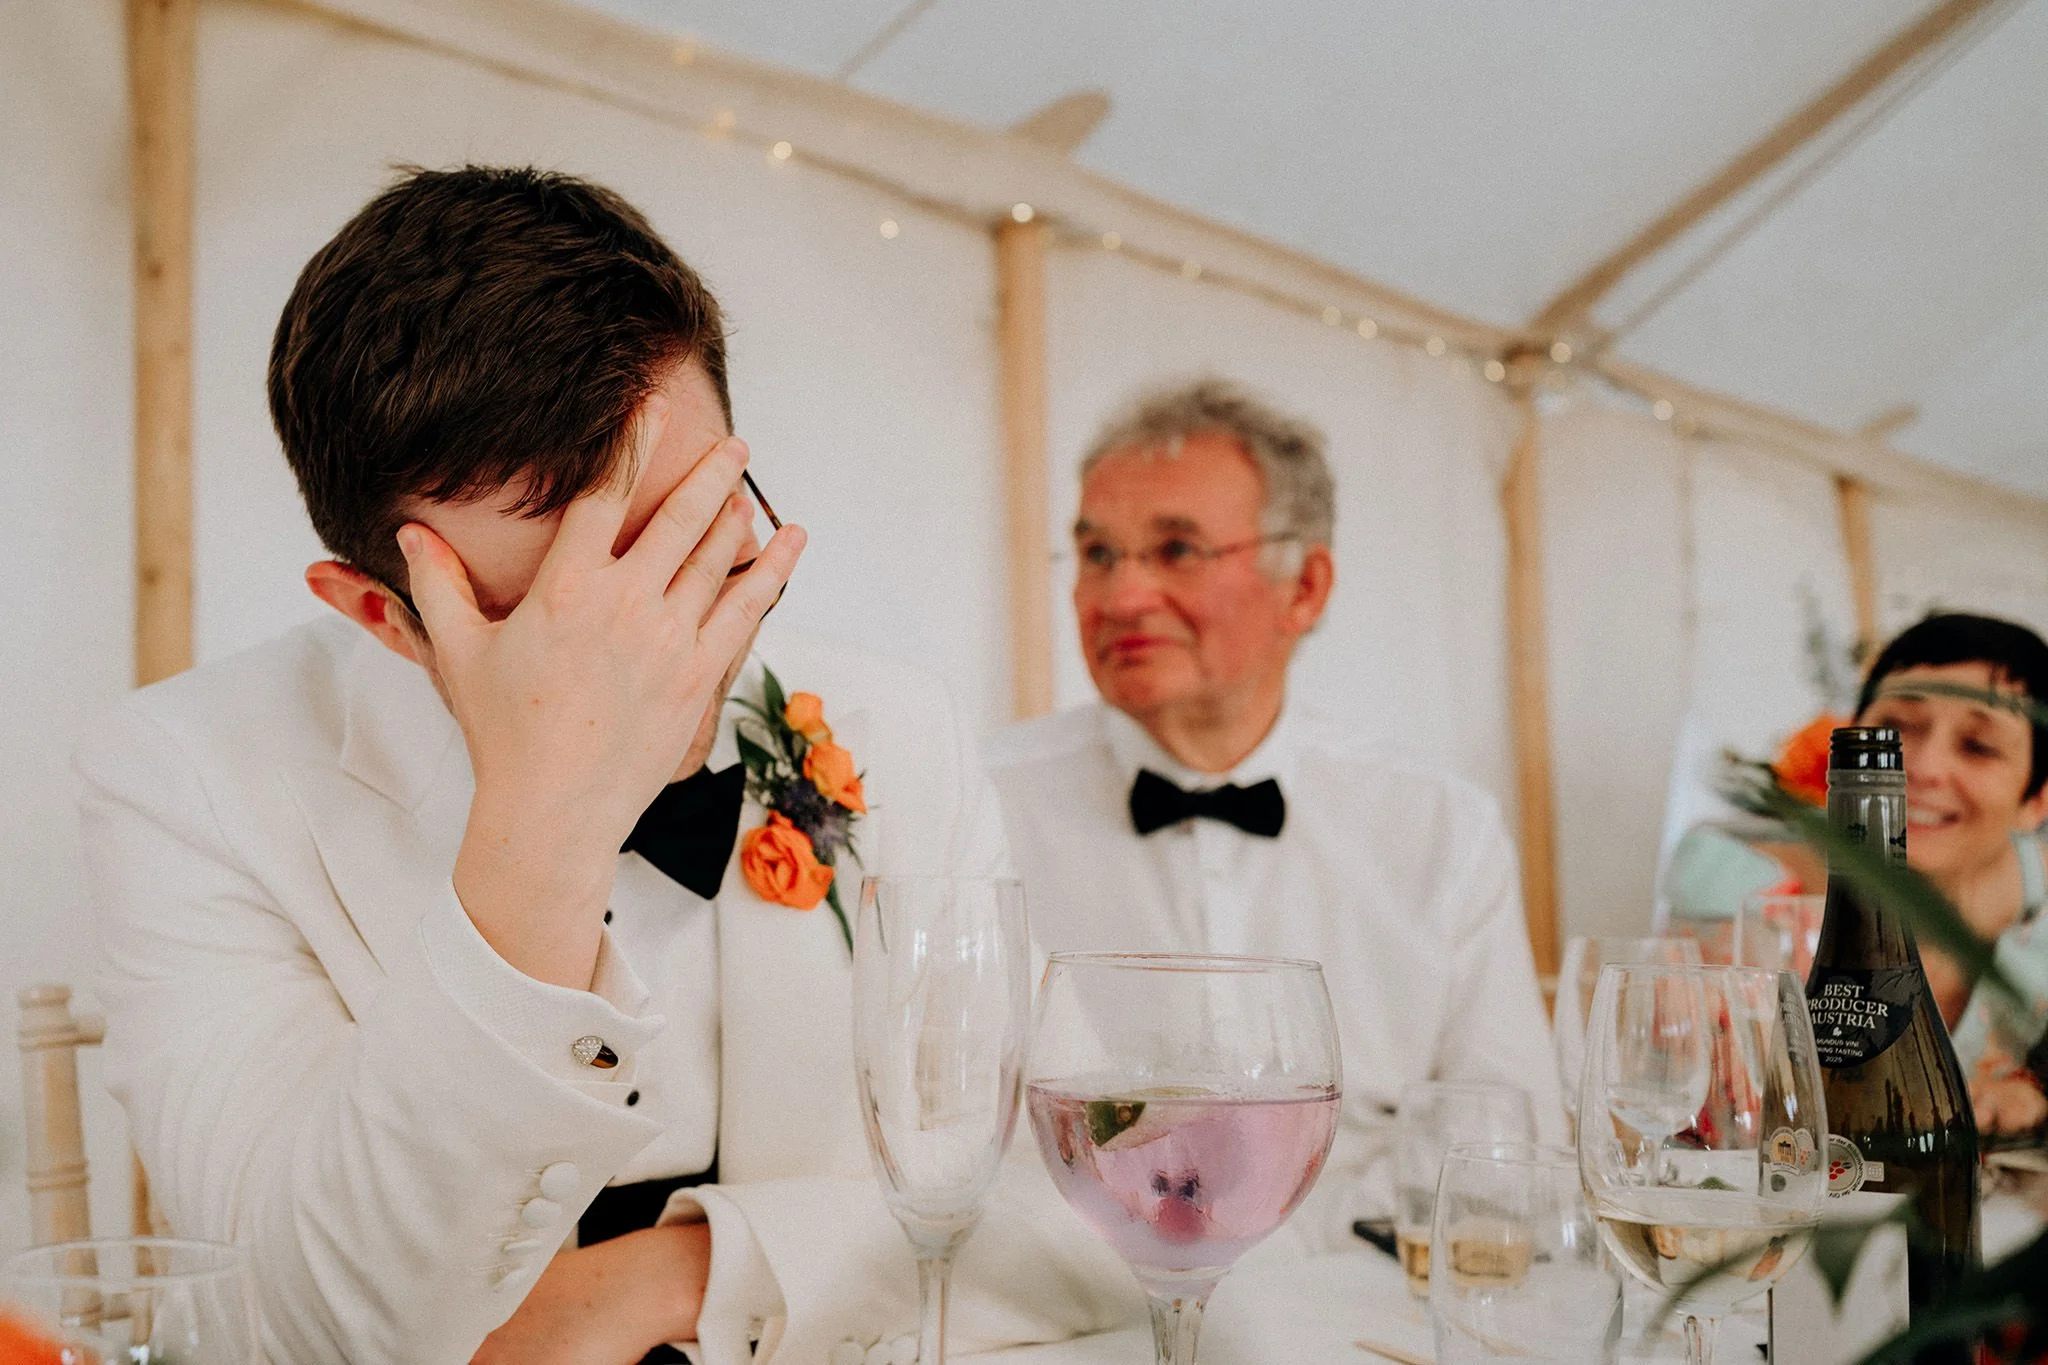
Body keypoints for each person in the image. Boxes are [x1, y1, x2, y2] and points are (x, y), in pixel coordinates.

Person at [78, 166, 1129, 1364]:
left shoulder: (896, 728)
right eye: (565, 614)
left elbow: (1108, 1194)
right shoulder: (184, 777)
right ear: (383, 614)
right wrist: (550, 823)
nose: (671, 644)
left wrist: (681, 1277)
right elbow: (311, 1325)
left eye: (699, 538)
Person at [984, 379, 1563, 1246]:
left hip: (1367, 1296)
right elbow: (947, 1128)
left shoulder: (1442, 830)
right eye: (1098, 553)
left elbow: (1510, 1148)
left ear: (1306, 587)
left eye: (1176, 549)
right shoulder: (981, 806)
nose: (1121, 597)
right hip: (1071, 1291)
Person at [1854, 611, 2048, 1137]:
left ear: (2036, 800)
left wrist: (2035, 1103)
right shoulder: (1742, 897)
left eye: (1978, 746)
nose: (1921, 768)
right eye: (1894, 728)